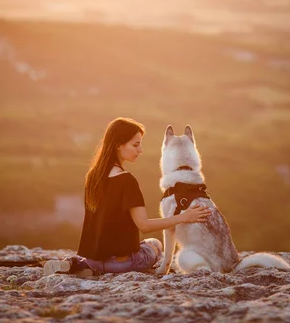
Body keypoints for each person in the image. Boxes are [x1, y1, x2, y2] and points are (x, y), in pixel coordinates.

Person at [43, 117, 211, 276]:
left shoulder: (93, 176)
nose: (140, 150)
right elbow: (144, 226)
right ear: (118, 145)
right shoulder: (127, 180)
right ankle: (96, 266)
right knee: (155, 244)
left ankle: (80, 264)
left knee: (130, 249)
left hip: (95, 259)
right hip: (121, 263)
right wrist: (184, 217)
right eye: (135, 145)